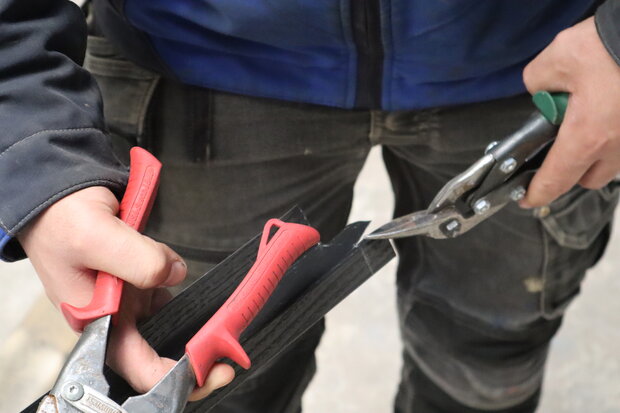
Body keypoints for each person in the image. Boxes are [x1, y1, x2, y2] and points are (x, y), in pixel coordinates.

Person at [1, 0, 619, 411]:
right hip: (196, 63)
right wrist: (32, 138)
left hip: (543, 64)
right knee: (213, 392)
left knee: (486, 363)